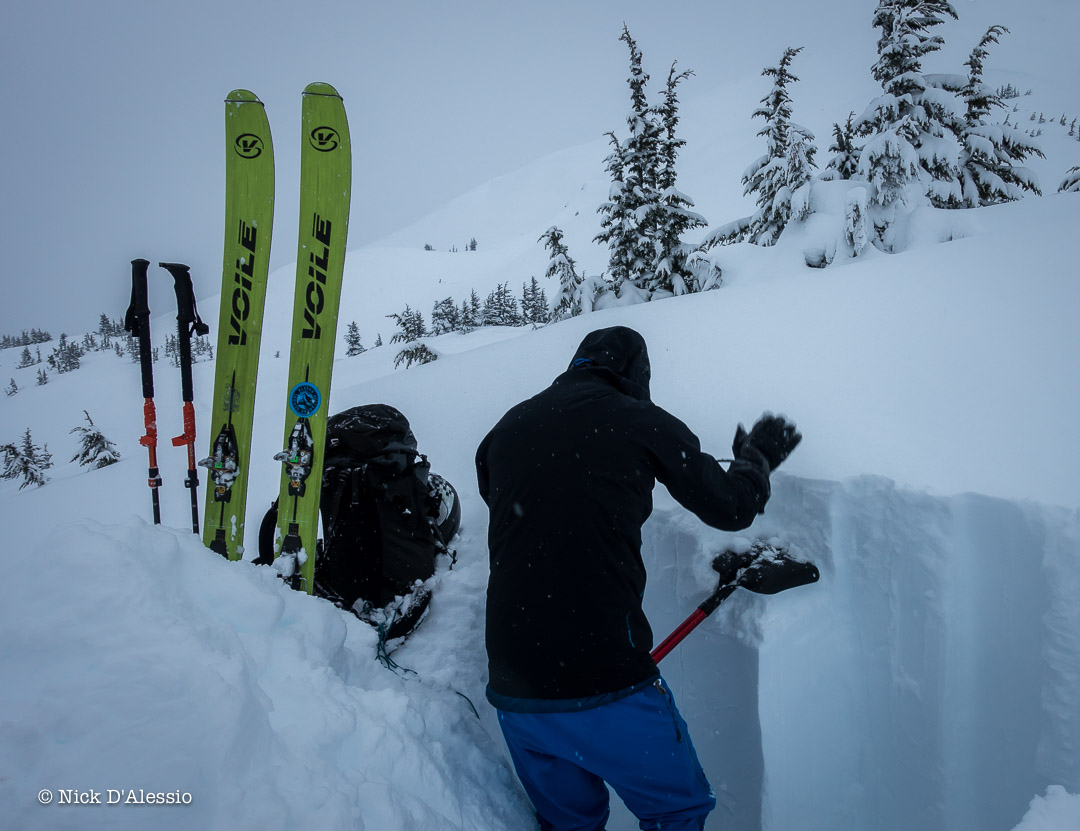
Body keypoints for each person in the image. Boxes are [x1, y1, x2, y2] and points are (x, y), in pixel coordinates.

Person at [475, 325, 800, 831]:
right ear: (637, 376)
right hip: (604, 677)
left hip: (514, 687)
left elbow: (518, 503)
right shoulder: (639, 420)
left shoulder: (506, 427)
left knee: (569, 825)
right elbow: (731, 508)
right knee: (678, 811)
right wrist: (754, 463)